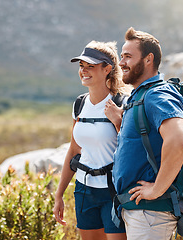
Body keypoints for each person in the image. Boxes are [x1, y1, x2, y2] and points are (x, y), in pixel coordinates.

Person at [112, 27, 183, 239]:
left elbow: (179, 139)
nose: (121, 63)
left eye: (128, 57)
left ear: (148, 59)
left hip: (150, 214)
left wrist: (156, 189)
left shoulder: (157, 94)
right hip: (141, 212)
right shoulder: (141, 95)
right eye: (121, 56)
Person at [53, 40, 127, 240]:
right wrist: (59, 195)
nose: (84, 71)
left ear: (107, 69)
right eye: (81, 66)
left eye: (91, 66)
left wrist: (118, 121)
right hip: (84, 190)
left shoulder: (122, 103)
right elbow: (74, 150)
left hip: (113, 192)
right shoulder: (80, 104)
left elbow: (132, 149)